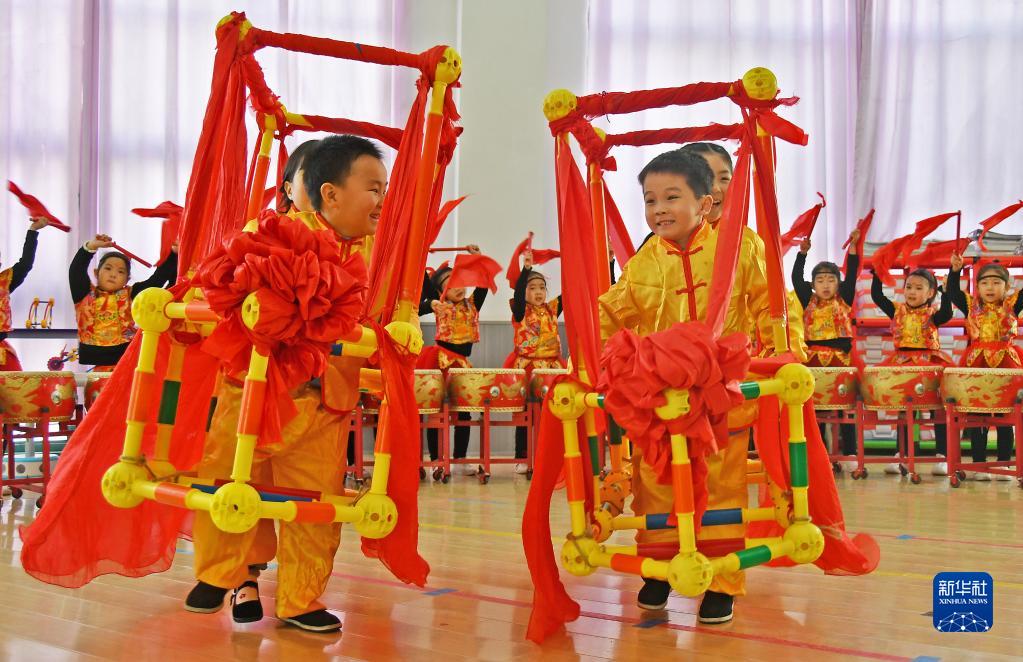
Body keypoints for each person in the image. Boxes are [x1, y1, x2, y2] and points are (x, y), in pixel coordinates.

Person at [185, 135, 386, 633]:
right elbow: (225, 287)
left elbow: (375, 317)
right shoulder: (270, 233)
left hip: (325, 397)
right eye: (374, 188)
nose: (382, 201)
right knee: (227, 476)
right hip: (255, 389)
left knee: (315, 500)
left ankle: (299, 599)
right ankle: (223, 573)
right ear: (328, 193)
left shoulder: (375, 251)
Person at [598, 149, 798, 624]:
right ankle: (659, 571)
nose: (659, 209)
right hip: (662, 403)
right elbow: (610, 313)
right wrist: (590, 360)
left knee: (722, 487)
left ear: (704, 204)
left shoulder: (741, 246)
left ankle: (722, 581)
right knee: (655, 484)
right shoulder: (646, 260)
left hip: (721, 397)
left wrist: (786, 357)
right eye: (650, 200)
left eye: (671, 197)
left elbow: (774, 304)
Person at [869, 263, 955, 475]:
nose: (912, 292)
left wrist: (946, 293)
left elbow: (947, 313)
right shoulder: (897, 311)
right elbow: (877, 297)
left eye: (918, 288)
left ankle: (943, 455)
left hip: (929, 364)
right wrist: (878, 273)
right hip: (902, 364)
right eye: (908, 287)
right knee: (904, 410)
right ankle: (902, 454)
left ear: (930, 293)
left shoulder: (933, 314)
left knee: (937, 409)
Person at [946, 257, 1021, 480]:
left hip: (1006, 364)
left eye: (996, 283)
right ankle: (979, 463)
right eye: (985, 283)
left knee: (1006, 414)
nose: (990, 287)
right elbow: (952, 292)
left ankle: (1004, 463)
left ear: (1007, 287)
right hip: (977, 363)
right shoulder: (971, 306)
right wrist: (955, 270)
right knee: (977, 415)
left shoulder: (1012, 305)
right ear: (977, 287)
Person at [791, 230, 861, 469]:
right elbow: (796, 278)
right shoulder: (807, 299)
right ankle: (821, 455)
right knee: (817, 410)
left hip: (840, 360)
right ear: (813, 284)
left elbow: (853, 273)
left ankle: (849, 453)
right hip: (812, 361)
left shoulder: (844, 299)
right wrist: (802, 254)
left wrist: (853, 248)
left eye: (831, 280)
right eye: (820, 280)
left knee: (844, 408)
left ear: (838, 284)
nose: (826, 285)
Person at [418, 246, 487, 475]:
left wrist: (477, 259)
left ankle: (460, 459)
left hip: (461, 365)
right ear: (440, 291)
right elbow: (420, 301)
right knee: (436, 413)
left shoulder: (472, 304)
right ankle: (437, 459)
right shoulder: (439, 304)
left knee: (464, 412)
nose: (458, 287)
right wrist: (422, 252)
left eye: (461, 281)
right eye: (450, 284)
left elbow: (483, 284)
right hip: (439, 362)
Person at [70, 235, 178, 369]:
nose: (113, 274)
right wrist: (91, 246)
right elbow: (76, 270)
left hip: (126, 355)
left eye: (120, 272)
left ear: (127, 279)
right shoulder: (83, 293)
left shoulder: (131, 294)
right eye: (108, 268)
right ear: (96, 273)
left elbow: (157, 280)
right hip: (93, 354)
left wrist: (173, 253)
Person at [508, 248, 564, 474]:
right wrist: (526, 269)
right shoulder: (520, 310)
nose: (538, 292)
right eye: (532, 288)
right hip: (528, 368)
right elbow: (518, 292)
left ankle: (550, 456)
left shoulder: (552, 309)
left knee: (553, 413)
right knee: (526, 414)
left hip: (552, 368)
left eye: (542, 287)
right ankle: (522, 457)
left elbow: (570, 291)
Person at [0, 216, 48, 369]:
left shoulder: (4, 281)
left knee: (18, 383)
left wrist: (32, 231)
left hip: (2, 353)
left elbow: (26, 263)